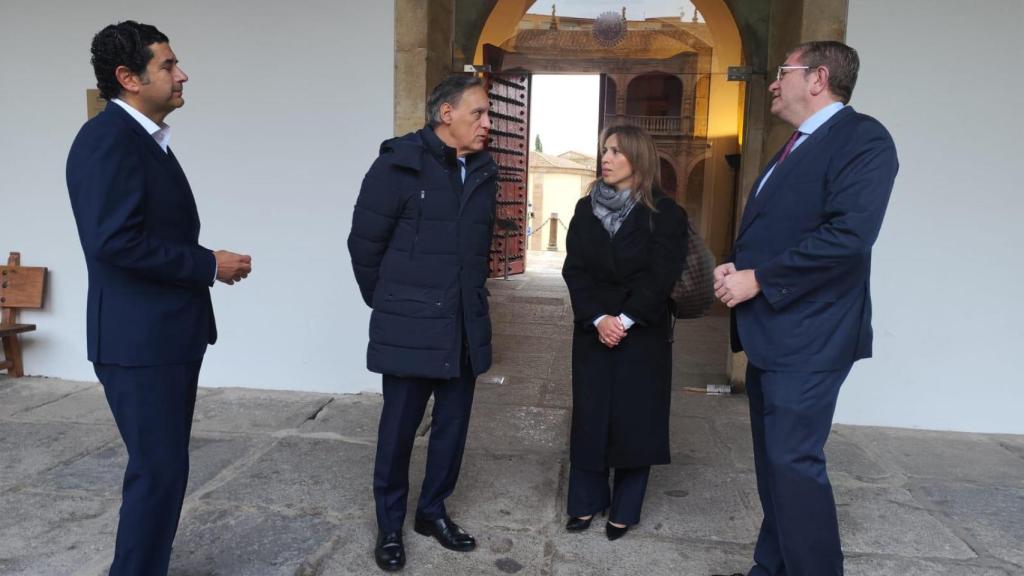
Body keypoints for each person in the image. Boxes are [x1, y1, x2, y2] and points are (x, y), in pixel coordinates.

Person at [66, 20, 252, 576]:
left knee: (165, 469)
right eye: (168, 65)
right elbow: (113, 242)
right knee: (158, 471)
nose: (181, 74)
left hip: (164, 335)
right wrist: (206, 264)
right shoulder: (107, 140)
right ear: (128, 78)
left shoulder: (141, 139)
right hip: (139, 341)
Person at [711, 41, 898, 576]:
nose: (772, 82)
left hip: (812, 336)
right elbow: (780, 229)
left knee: (794, 465)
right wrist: (735, 267)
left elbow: (848, 237)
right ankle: (769, 568)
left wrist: (760, 280)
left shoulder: (864, 139)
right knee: (776, 468)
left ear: (817, 78)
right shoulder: (794, 143)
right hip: (772, 331)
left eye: (781, 72)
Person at [347, 74, 497, 572]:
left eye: (489, 113)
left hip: (462, 326)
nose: (487, 124)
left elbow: (476, 254)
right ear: (445, 114)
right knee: (398, 432)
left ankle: (432, 512)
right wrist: (392, 303)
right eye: (478, 113)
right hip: (410, 325)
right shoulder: (397, 164)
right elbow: (364, 246)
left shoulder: (483, 170)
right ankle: (389, 526)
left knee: (452, 430)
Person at [561, 124, 688, 541]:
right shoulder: (584, 210)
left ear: (639, 158)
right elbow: (575, 269)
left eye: (616, 151)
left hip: (642, 332)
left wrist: (626, 319)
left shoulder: (667, 214)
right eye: (604, 150)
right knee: (591, 416)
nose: (606, 158)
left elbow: (661, 275)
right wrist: (598, 318)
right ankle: (585, 501)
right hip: (594, 329)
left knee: (636, 420)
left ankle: (625, 507)